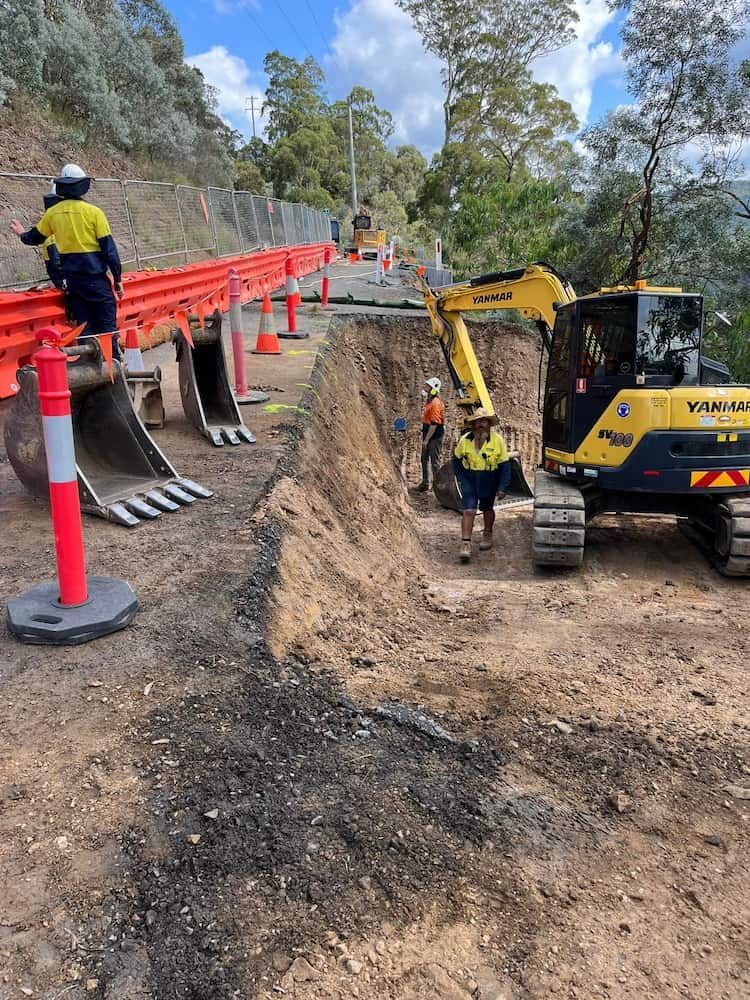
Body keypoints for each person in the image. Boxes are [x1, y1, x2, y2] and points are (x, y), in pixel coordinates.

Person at [10, 163, 124, 354]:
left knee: (85, 330)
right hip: (96, 280)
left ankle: (91, 371)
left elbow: (34, 238)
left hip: (73, 284)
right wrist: (118, 280)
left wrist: (21, 233)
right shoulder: (94, 213)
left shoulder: (52, 214)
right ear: (82, 186)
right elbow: (110, 252)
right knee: (107, 328)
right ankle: (114, 369)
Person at [453, 408, 511, 562]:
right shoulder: (465, 440)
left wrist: (502, 487)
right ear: (473, 424)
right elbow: (456, 460)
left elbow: (505, 466)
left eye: (484, 421)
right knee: (469, 510)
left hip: (489, 479)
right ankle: (465, 544)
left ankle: (488, 533)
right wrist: (460, 477)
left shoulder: (497, 441)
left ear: (489, 424)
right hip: (470, 479)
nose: (481, 424)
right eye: (478, 421)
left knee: (487, 508)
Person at [418, 376, 445, 492]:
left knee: (435, 462)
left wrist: (426, 440)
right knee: (424, 458)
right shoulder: (429, 401)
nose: (424, 387)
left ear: (433, 389)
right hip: (428, 434)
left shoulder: (435, 403)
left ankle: (438, 486)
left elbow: (434, 424)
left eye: (427, 386)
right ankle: (425, 483)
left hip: (434, 437)